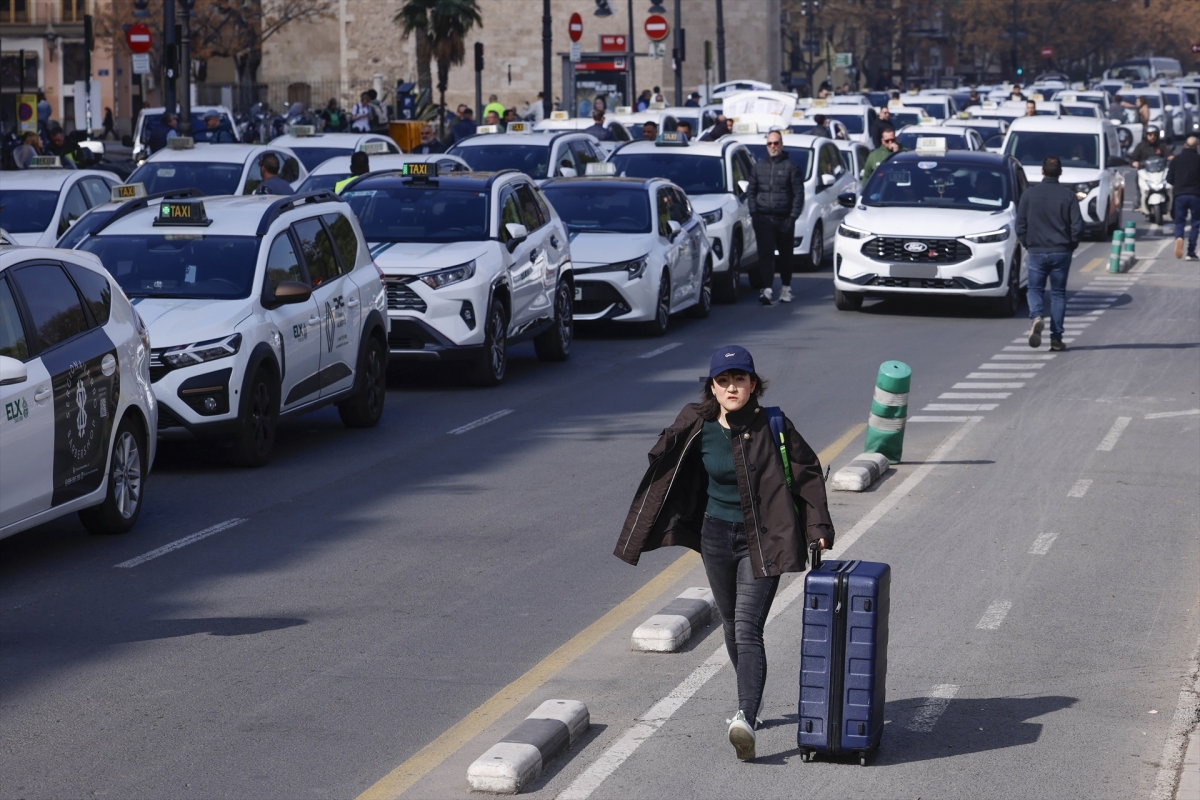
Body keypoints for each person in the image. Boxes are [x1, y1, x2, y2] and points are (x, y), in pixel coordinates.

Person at [613, 345, 834, 761]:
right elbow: (665, 462)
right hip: (715, 537)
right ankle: (749, 700)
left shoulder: (774, 424)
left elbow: (807, 473)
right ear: (712, 387)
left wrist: (818, 528)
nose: (733, 387)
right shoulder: (697, 423)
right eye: (724, 380)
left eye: (741, 379)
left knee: (749, 628)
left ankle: (745, 716)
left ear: (754, 384)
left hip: (763, 539)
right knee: (731, 626)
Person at [1016, 156, 1085, 351]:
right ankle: (1056, 338)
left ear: (1042, 171)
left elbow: (1020, 225)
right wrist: (1071, 244)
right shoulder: (1068, 196)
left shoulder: (1029, 195)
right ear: (1060, 173)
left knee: (1034, 289)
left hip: (1036, 251)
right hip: (1061, 251)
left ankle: (1036, 317)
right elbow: (1077, 226)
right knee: (1058, 294)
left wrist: (1028, 243)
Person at [747, 130, 805, 305]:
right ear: (766, 145)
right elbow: (751, 192)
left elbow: (798, 194)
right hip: (763, 218)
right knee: (765, 255)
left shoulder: (791, 167)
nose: (773, 146)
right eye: (770, 143)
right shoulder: (758, 167)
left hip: (784, 219)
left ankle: (786, 288)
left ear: (782, 144)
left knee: (786, 255)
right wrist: (754, 214)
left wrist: (792, 217)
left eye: (776, 143)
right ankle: (767, 289)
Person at [1167, 136, 1200, 260]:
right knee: (1195, 223)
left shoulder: (1176, 160)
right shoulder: (1198, 159)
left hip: (1180, 194)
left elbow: (1169, 178)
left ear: (1185, 145)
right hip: (1196, 195)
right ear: (1197, 147)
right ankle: (1191, 252)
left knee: (1180, 221)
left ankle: (1179, 237)